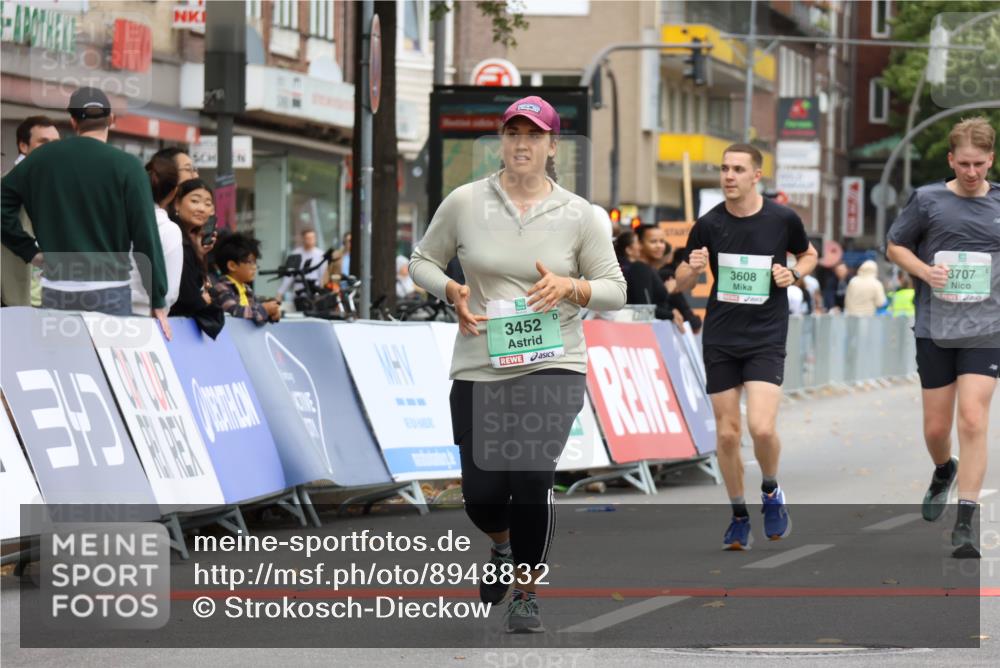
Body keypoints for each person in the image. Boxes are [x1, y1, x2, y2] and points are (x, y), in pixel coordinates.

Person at [409, 95, 625, 633]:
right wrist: (452, 288)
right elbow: (421, 261)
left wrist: (571, 285)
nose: (521, 144)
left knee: (531, 475)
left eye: (533, 135)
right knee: (482, 496)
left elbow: (614, 290)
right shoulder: (464, 202)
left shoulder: (580, 215)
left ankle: (526, 590)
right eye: (512, 134)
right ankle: (501, 544)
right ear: (501, 143)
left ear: (553, 146)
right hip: (481, 363)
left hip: (553, 362)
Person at [674, 143, 818, 551]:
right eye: (724, 169)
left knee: (761, 427)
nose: (729, 176)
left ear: (757, 175)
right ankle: (739, 515)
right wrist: (692, 268)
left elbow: (809, 255)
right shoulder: (708, 223)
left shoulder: (782, 218)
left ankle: (771, 490)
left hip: (766, 335)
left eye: (738, 169)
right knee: (727, 435)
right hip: (721, 335)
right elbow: (680, 279)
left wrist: (794, 273)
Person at [886, 117, 1000, 559]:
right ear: (951, 160)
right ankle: (942, 467)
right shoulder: (928, 200)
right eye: (964, 164)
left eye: (980, 164)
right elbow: (895, 246)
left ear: (991, 159)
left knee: (972, 418)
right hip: (936, 326)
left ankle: (966, 523)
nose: (972, 172)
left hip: (986, 329)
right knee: (937, 428)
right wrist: (924, 271)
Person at [0, 87, 170, 337]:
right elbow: (146, 234)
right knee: (106, 368)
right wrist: (157, 297)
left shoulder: (40, 160)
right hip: (110, 290)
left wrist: (30, 251)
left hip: (57, 289)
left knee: (63, 366)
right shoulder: (128, 166)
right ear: (111, 119)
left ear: (73, 120)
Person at [2, 116, 60, 307]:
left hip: (51, 301)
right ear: (23, 146)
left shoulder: (57, 187)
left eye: (55, 143)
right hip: (14, 300)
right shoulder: (7, 184)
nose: (51, 149)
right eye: (43, 142)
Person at [168, 179, 225, 336]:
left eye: (208, 204)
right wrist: (203, 300)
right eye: (194, 201)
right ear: (177, 203)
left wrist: (199, 255)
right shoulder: (174, 238)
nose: (202, 208)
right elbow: (189, 299)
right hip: (171, 328)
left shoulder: (193, 244)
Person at [130, 154, 183, 316]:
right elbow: (170, 292)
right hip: (147, 318)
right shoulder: (170, 230)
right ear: (174, 192)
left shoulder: (118, 221)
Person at [616, 226, 683, 327]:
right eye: (653, 242)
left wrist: (671, 311)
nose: (659, 246)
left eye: (662, 241)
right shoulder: (639, 268)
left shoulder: (647, 268)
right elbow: (644, 309)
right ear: (640, 244)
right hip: (640, 333)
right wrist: (670, 314)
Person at [210, 232, 281, 325]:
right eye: (251, 262)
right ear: (232, 265)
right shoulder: (221, 288)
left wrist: (272, 313)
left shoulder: (245, 289)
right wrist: (265, 310)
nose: (255, 267)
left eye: (255, 262)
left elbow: (254, 313)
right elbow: (234, 312)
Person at [277, 228, 326, 304]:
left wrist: (322, 292)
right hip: (299, 290)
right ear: (303, 239)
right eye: (308, 238)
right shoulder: (296, 254)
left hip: (314, 290)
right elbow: (289, 276)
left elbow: (322, 275)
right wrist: (280, 293)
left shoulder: (320, 254)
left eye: (312, 238)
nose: (310, 240)